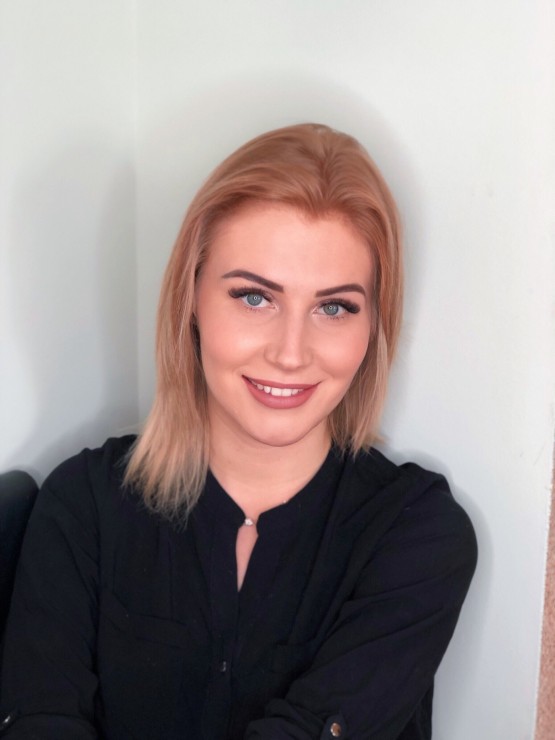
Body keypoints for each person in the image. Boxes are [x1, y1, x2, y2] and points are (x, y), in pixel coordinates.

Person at [0, 123, 477, 739]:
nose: (290, 353)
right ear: (191, 299)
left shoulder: (417, 533)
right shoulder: (81, 506)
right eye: (255, 297)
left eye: (334, 307)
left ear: (372, 328)